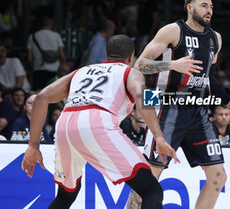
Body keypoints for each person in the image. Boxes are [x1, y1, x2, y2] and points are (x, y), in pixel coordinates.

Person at [21, 35, 179, 209]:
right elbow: (141, 98)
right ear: (130, 57)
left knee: (67, 194)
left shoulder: (81, 71)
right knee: (151, 190)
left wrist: (33, 145)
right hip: (97, 123)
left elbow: (42, 97)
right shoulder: (130, 72)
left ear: (106, 54)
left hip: (65, 124)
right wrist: (159, 136)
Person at [129, 0, 230, 209]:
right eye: (203, 5)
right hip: (166, 110)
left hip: (197, 113)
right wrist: (172, 65)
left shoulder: (215, 39)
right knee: (149, 178)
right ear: (190, 8)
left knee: (218, 177)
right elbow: (140, 64)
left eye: (211, 6)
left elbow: (208, 79)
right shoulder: (173, 30)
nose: (209, 10)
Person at [27, 17, 66, 90]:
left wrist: (33, 69)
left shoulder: (32, 36)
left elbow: (29, 58)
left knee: (39, 93)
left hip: (38, 70)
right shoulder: (56, 35)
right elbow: (62, 55)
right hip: (54, 69)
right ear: (50, 24)